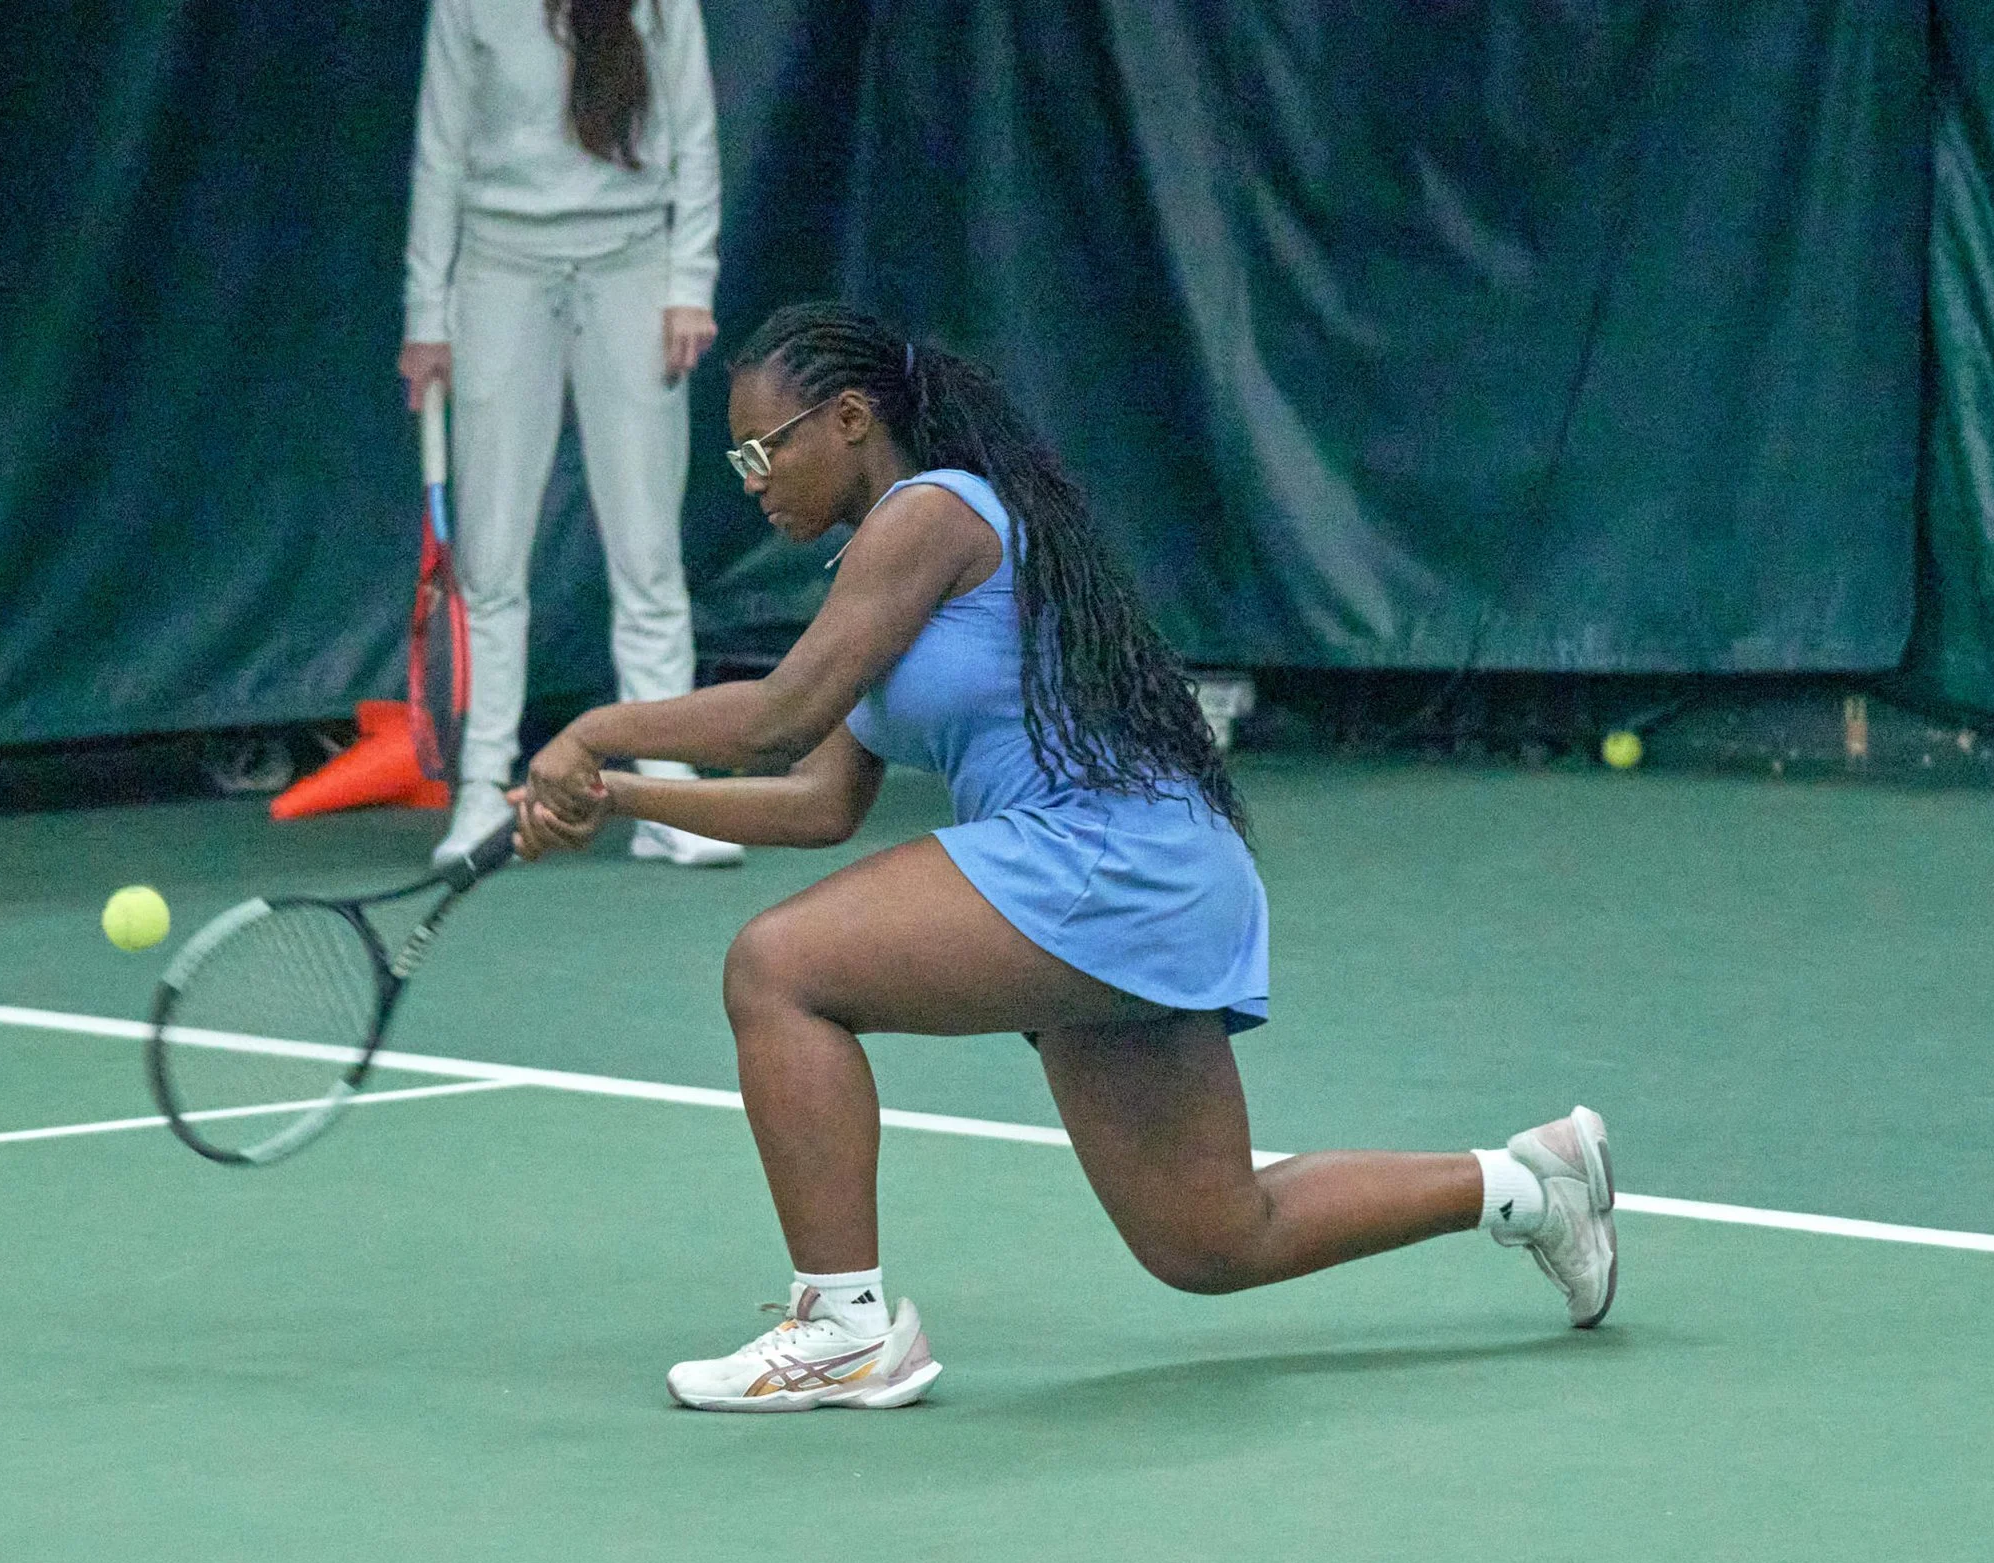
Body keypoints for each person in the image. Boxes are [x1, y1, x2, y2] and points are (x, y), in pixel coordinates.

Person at [508, 302, 1618, 1411]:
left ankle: (842, 1329)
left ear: (848, 419)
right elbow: (819, 802)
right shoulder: (883, 559)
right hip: (1139, 877)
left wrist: (594, 731)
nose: (752, 481)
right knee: (1211, 1239)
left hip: (1104, 853)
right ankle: (1528, 1184)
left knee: (776, 967)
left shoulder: (929, 514)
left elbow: (775, 720)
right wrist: (617, 796)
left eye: (763, 449)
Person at [399, 0, 740, 870]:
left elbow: (696, 138)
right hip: (497, 274)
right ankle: (484, 792)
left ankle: (666, 796)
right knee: (491, 562)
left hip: (634, 268)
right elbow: (439, 152)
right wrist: (427, 317)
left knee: (649, 557)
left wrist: (689, 285)